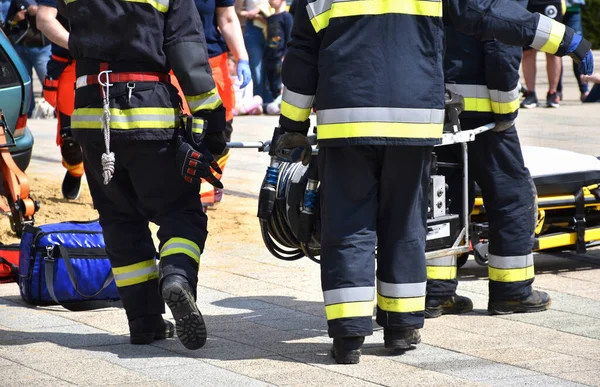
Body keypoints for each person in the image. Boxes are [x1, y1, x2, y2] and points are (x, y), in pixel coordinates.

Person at [272, 0, 593, 365]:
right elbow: (489, 13)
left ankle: (348, 337)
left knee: (348, 227)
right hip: (413, 120)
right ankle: (402, 328)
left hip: (347, 120)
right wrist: (566, 40)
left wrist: (292, 126)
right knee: (405, 225)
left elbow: (302, 54)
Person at [62, 0, 227, 350]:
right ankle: (177, 276)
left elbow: (61, 38)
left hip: (91, 117)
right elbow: (187, 53)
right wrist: (212, 119)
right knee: (181, 214)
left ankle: (144, 322)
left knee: (120, 221)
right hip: (149, 116)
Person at [427, 0, 550, 319]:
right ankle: (512, 291)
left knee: (444, 196)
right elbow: (502, 42)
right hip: (483, 113)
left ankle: (436, 293)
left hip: (436, 105)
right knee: (512, 194)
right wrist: (506, 110)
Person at [171, 0, 251, 210]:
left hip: (212, 60)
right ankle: (187, 189)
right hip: (173, 62)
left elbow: (227, 17)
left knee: (221, 127)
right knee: (181, 129)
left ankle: (208, 185)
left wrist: (243, 57)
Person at [36, 0, 84, 200]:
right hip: (71, 61)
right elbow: (45, 18)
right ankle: (75, 169)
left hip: (118, 61)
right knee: (69, 137)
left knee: (116, 135)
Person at [4, 0, 51, 117]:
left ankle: (52, 109)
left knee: (48, 79)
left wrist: (39, 11)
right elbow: (8, 25)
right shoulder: (18, 1)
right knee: (25, 83)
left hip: (42, 48)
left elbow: (56, 17)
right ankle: (27, 112)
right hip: (21, 47)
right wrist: (16, 18)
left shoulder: (47, 2)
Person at [520, 0, 566, 108]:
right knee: (527, 51)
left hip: (551, 3)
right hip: (528, 3)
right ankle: (531, 94)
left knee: (553, 50)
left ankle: (553, 93)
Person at [235, 0, 272, 104]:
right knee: (256, 67)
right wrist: (251, 15)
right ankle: (258, 100)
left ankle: (270, 100)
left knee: (272, 65)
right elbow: (237, 11)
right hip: (253, 28)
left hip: (273, 26)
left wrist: (260, 9)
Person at [262, 0, 292, 115]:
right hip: (270, 56)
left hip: (280, 57)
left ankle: (281, 105)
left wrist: (286, 55)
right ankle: (275, 104)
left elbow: (289, 37)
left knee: (279, 83)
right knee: (271, 82)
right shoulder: (270, 18)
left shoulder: (287, 17)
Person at [556, 0, 588, 101]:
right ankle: (556, 91)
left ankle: (584, 90)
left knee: (578, 50)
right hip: (552, 6)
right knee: (554, 48)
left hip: (572, 6)